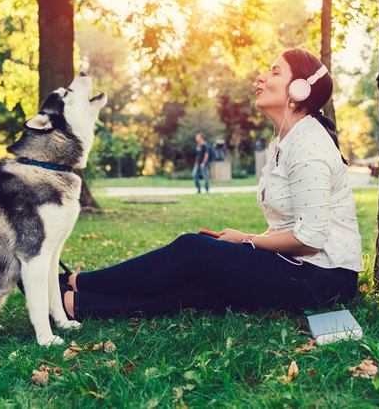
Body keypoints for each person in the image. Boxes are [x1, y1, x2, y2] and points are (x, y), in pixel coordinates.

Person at [60, 49, 363, 321]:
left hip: (323, 278)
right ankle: (79, 304)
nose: (261, 76)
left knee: (191, 248)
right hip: (297, 266)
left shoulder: (309, 144)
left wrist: (247, 240)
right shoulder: (283, 141)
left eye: (274, 71)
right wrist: (246, 244)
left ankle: (80, 282)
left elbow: (309, 238)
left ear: (298, 89)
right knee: (205, 289)